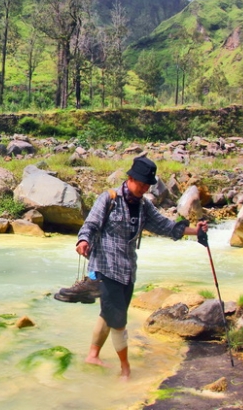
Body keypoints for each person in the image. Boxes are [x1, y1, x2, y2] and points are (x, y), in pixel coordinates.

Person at [75, 155, 207, 380]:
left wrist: (196, 231)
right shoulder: (109, 199)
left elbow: (165, 226)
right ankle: (126, 369)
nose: (143, 188)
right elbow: (91, 224)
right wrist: (83, 241)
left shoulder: (143, 206)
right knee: (118, 320)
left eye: (147, 185)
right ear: (129, 178)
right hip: (105, 268)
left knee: (109, 314)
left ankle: (92, 355)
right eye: (141, 183)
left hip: (127, 270)